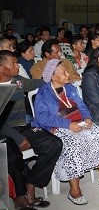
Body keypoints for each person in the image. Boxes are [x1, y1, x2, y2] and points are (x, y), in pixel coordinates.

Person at [32, 59, 99, 205]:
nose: (68, 74)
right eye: (64, 72)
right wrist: (68, 124)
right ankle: (74, 191)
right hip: (59, 126)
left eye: (67, 71)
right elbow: (42, 117)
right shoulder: (44, 92)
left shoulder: (70, 88)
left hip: (78, 122)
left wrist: (86, 118)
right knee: (73, 143)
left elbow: (82, 105)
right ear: (53, 77)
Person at [0, 50, 62, 209]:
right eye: (13, 63)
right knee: (12, 156)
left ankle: (31, 184)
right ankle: (19, 196)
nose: (17, 66)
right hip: (4, 131)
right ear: (1, 68)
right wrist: (17, 137)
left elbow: (37, 83)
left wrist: (54, 80)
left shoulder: (18, 81)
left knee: (54, 144)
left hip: (23, 126)